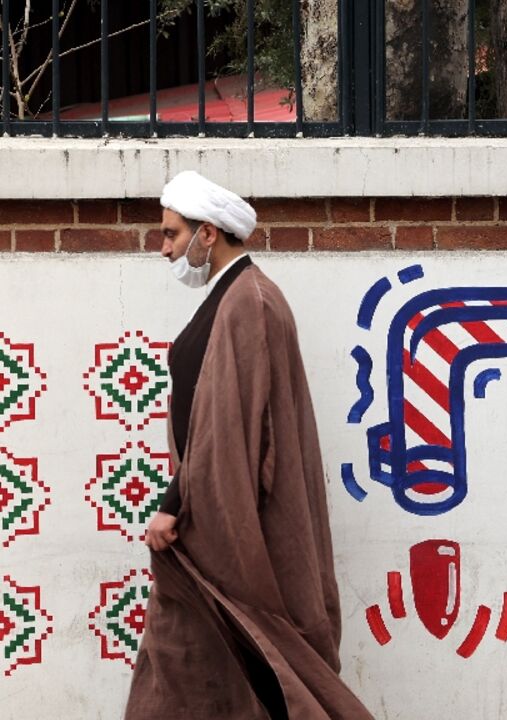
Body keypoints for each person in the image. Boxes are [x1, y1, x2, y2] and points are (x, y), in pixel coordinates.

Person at [128, 171, 372, 719]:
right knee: (197, 656)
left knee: (261, 654)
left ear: (208, 234)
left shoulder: (250, 302)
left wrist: (173, 506)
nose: (164, 248)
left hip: (234, 523)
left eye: (171, 234)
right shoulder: (234, 296)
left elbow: (234, 432)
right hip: (207, 516)